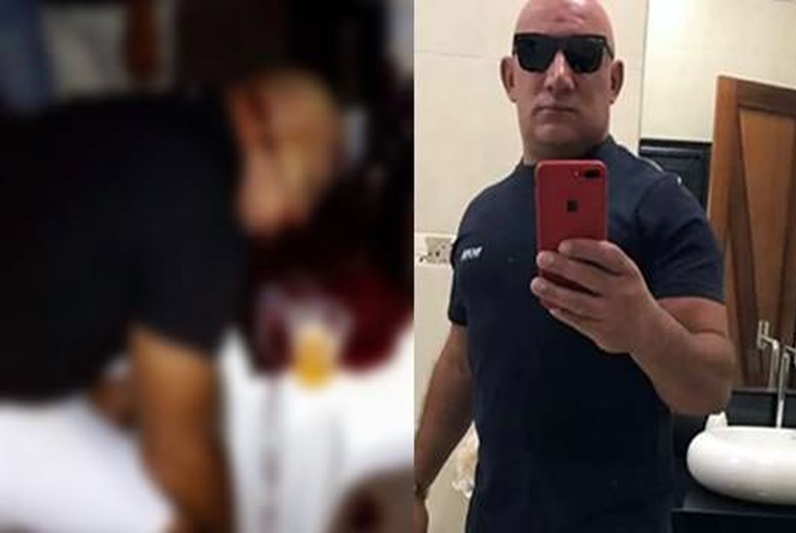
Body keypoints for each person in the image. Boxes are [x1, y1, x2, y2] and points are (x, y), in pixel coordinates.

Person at [414, 0, 736, 531]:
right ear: (510, 76)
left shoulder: (663, 207)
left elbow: (710, 387)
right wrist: (416, 482)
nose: (559, 76)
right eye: (535, 52)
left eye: (584, 55)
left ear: (614, 80)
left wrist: (643, 329)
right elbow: (461, 364)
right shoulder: (482, 216)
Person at [0, 69, 340, 532]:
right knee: (171, 517)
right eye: (308, 189)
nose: (296, 218)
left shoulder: (164, 117)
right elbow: (176, 459)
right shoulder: (201, 210)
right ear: (266, 137)